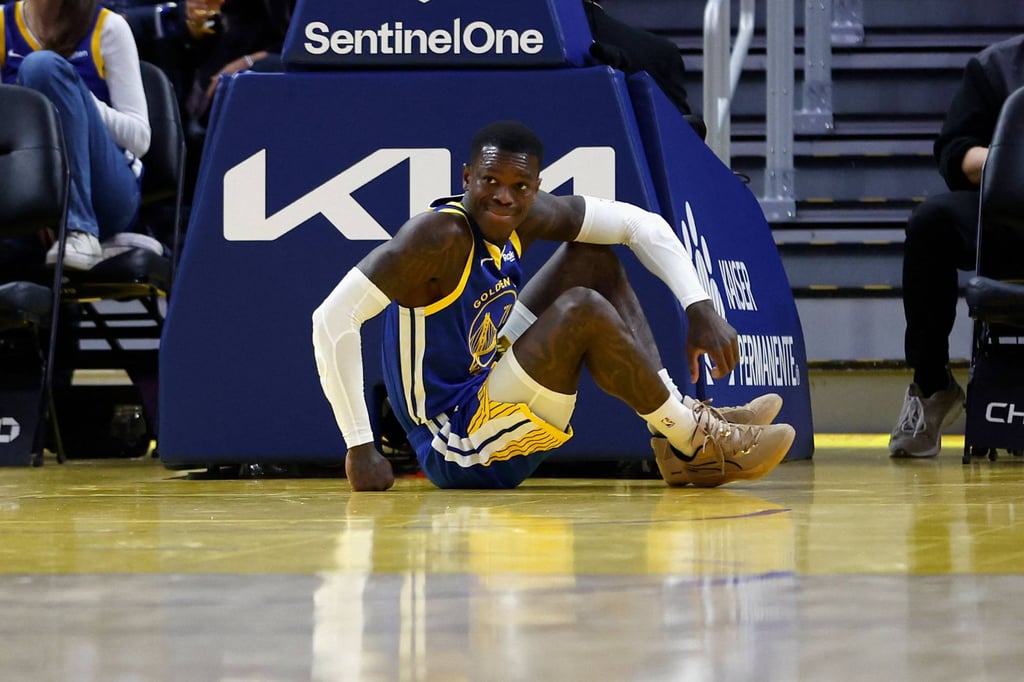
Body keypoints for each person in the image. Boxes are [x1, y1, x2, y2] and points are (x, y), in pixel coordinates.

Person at [312, 120, 796, 491]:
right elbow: (332, 319)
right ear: (467, 177)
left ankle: (680, 425)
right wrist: (359, 445)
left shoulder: (527, 214)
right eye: (489, 181)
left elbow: (637, 225)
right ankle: (694, 439)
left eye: (519, 187)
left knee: (591, 258)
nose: (503, 197)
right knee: (580, 309)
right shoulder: (437, 236)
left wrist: (699, 306)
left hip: (488, 382)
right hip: (455, 442)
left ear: (536, 187)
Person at [890, 34, 1024, 458]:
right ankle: (932, 386)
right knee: (931, 222)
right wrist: (1012, 161)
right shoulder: (995, 67)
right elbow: (957, 153)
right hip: (1007, 224)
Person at [0, 0, 151, 271]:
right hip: (29, 189)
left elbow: (139, 138)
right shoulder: (2, 24)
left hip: (106, 193)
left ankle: (79, 229)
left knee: (42, 67)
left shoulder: (109, 27)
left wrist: (77, 99)